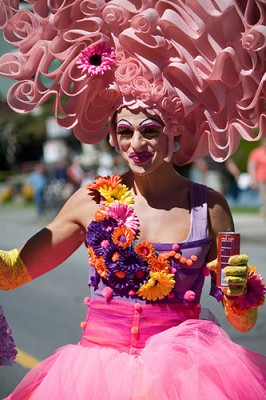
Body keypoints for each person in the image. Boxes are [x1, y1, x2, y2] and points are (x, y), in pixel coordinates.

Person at [0, 1, 266, 399]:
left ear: (174, 133)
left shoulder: (209, 207)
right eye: (125, 131)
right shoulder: (91, 200)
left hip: (186, 378)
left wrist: (238, 290)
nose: (137, 144)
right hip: (96, 378)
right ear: (112, 136)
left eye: (151, 130)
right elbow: (16, 270)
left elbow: (242, 321)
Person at [248, 138, 266, 217]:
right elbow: (251, 167)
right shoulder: (256, 153)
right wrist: (253, 179)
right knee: (264, 195)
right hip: (261, 178)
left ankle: (263, 210)